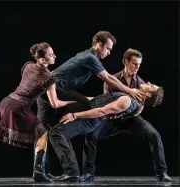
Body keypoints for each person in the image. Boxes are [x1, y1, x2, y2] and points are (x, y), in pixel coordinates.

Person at [36, 31, 144, 181]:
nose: (109, 52)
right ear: (98, 45)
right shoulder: (90, 57)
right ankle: (71, 172)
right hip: (52, 89)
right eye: (108, 48)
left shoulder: (87, 57)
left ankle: (40, 172)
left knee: (45, 131)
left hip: (47, 92)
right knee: (86, 105)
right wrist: (130, 90)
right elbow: (107, 78)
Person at [0, 42, 77, 182]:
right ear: (42, 60)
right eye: (51, 54)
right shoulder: (49, 78)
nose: (55, 56)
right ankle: (38, 173)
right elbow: (55, 103)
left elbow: (30, 83)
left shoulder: (28, 66)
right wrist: (75, 102)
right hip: (18, 106)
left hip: (5, 102)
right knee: (43, 133)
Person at [80, 48, 171, 183]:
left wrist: (136, 110)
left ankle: (161, 173)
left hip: (131, 118)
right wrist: (116, 111)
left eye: (139, 64)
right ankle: (88, 174)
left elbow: (140, 107)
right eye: (135, 64)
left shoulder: (141, 83)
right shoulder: (112, 79)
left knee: (154, 134)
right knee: (90, 134)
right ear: (125, 62)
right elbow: (107, 101)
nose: (137, 67)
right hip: (110, 118)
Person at [48, 80, 164, 182]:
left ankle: (72, 173)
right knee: (56, 128)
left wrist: (75, 115)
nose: (149, 83)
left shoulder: (127, 101)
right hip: (87, 111)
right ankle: (72, 172)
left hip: (89, 119)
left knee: (56, 133)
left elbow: (102, 111)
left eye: (152, 85)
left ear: (147, 94)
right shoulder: (128, 96)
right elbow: (100, 100)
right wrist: (77, 100)